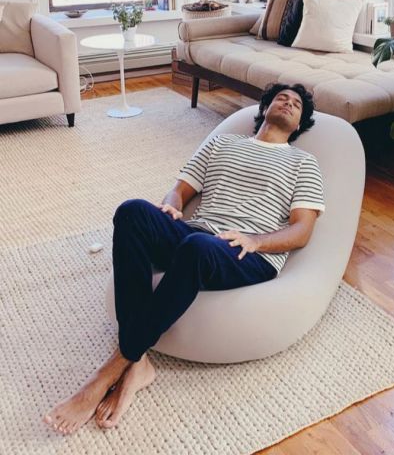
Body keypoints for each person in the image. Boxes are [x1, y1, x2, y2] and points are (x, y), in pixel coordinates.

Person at [43, 83, 324, 435]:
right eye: (281, 97)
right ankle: (140, 362)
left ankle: (112, 369)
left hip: (246, 252)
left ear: (298, 125)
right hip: (198, 234)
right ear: (265, 108)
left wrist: (255, 241)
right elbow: (180, 189)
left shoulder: (302, 162)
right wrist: (172, 208)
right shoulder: (224, 143)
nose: (288, 102)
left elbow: (302, 231)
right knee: (132, 212)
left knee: (197, 247)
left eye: (296, 104)